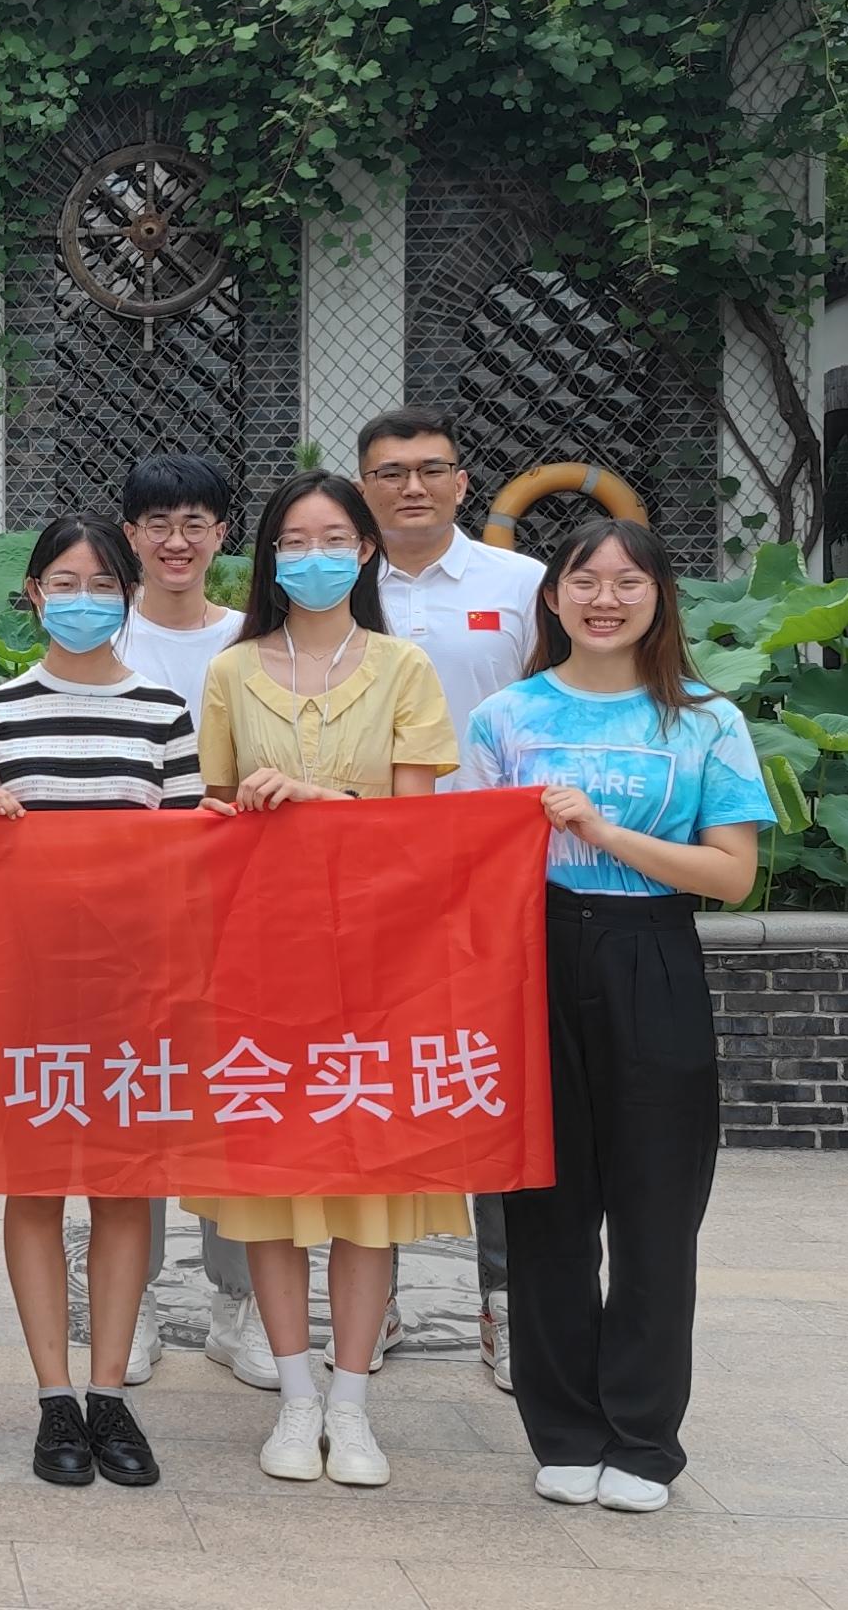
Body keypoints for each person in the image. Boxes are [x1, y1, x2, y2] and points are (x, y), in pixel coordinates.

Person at [465, 520, 765, 1516]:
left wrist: (601, 830)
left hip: (652, 954)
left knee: (655, 1210)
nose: (605, 599)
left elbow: (730, 874)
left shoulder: (707, 720)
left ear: (658, 597)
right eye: (584, 581)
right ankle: (563, 1431)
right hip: (533, 958)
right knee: (545, 1206)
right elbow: (461, 856)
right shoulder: (505, 717)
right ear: (551, 598)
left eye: (627, 581)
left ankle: (642, 1439)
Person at [184, 471, 464, 1489]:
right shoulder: (230, 671)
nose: (313, 557)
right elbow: (212, 816)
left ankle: (351, 1403)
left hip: (377, 963)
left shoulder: (403, 669)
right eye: (293, 541)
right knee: (271, 1182)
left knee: (364, 1187)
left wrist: (320, 801)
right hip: (261, 960)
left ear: (364, 552)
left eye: (333, 538)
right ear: (268, 556)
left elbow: (419, 829)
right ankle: (294, 1394)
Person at [0, 516, 213, 1489]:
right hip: (23, 987)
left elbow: (185, 863)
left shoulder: (162, 712)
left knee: (122, 1190)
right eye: (62, 583)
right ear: (32, 595)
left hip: (132, 991)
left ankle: (111, 1395)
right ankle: (53, 1397)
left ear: (128, 594)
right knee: (32, 1191)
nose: (82, 600)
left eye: (101, 583)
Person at [357, 410, 549, 1395]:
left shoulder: (521, 586)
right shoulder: (340, 587)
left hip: (496, 875)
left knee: (494, 1080)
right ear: (364, 486)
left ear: (463, 483)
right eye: (390, 473)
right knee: (376, 1081)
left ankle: (505, 1306)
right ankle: (372, 1301)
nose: (411, 487)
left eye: (430, 469)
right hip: (370, 877)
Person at [112, 454, 252, 1392]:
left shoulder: (251, 640)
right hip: (126, 916)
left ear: (221, 535)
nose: (176, 541)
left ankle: (236, 1302)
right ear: (130, 536)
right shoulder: (102, 636)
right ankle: (136, 1303)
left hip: (236, 911)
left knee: (228, 1101)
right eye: (157, 524)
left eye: (195, 522)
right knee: (137, 1101)